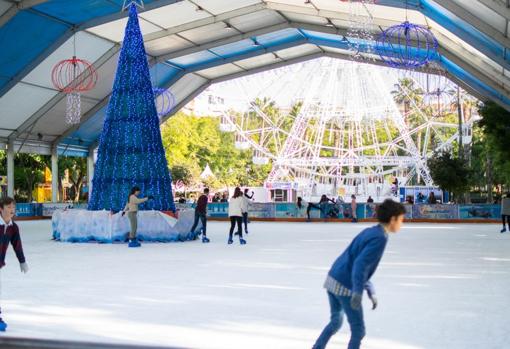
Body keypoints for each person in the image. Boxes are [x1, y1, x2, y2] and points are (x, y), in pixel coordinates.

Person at [312, 199, 406, 349]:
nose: (402, 223)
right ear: (393, 219)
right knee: (358, 331)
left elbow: (358, 262)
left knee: (336, 322)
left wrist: (370, 290)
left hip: (333, 278)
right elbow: (360, 265)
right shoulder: (380, 237)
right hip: (345, 284)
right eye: (401, 219)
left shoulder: (371, 231)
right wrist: (357, 291)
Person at [0, 197, 29, 332]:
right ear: (1, 209)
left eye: (13, 207)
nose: (12, 210)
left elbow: (17, 246)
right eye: (9, 207)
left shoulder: (13, 227)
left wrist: (22, 261)